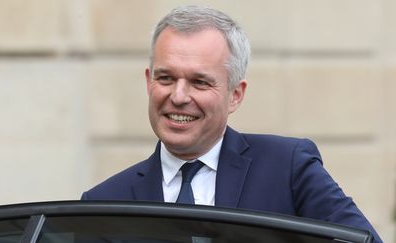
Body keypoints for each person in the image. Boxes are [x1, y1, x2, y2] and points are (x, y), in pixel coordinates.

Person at [81, 5, 382, 242]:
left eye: (200, 82)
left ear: (235, 95)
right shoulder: (102, 202)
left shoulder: (288, 169)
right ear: (149, 82)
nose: (179, 95)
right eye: (166, 78)